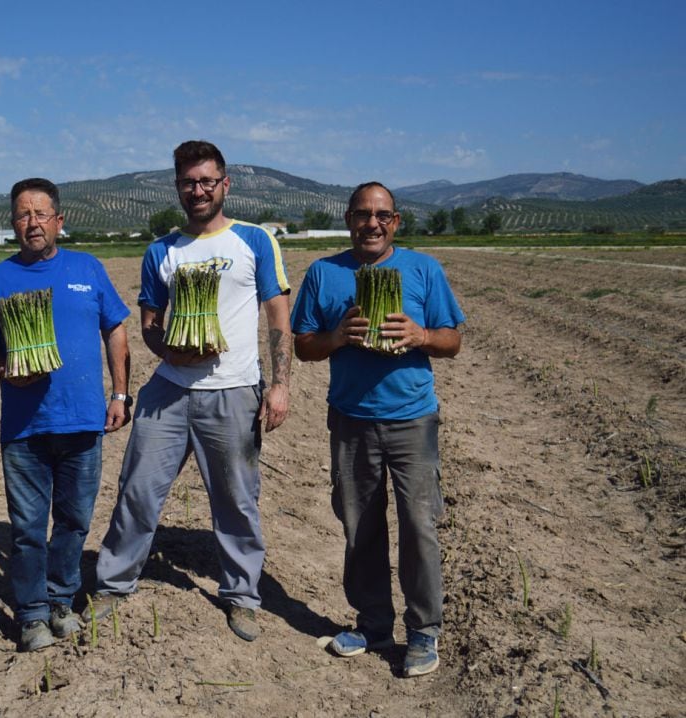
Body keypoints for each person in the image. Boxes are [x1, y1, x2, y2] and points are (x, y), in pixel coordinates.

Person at [88, 140, 292, 642]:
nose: (197, 190)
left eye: (206, 181)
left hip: (234, 390)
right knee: (137, 489)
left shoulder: (256, 241)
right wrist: (167, 350)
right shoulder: (162, 249)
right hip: (169, 390)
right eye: (188, 182)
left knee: (236, 499)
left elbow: (278, 318)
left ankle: (242, 595)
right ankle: (113, 585)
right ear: (177, 186)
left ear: (225, 184)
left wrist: (280, 384)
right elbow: (151, 325)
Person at [290, 181, 464, 677]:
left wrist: (422, 334)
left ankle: (424, 631)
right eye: (363, 214)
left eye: (382, 215)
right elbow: (304, 346)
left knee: (418, 525)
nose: (372, 223)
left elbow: (453, 341)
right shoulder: (325, 273)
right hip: (351, 420)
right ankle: (372, 624)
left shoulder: (423, 269)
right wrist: (337, 336)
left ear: (396, 222)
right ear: (348, 219)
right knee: (359, 525)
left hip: (412, 418)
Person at [0, 178, 131, 652]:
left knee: (73, 523)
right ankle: (30, 615)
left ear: (59, 221)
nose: (32, 223)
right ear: (13, 224)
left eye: (41, 214)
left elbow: (116, 330)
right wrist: (8, 370)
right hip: (24, 430)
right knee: (26, 530)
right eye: (23, 215)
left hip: (84, 421)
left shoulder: (88, 268)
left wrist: (121, 394)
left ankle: (61, 601)